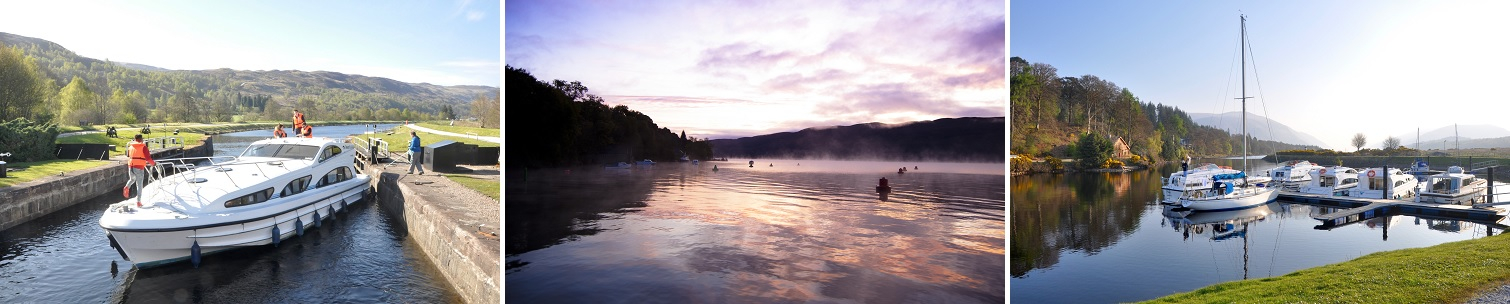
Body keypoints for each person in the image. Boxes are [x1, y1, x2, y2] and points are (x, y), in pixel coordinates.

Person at [126, 134, 157, 206]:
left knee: (132, 179)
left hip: (131, 166)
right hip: (139, 167)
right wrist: (153, 164)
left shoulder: (131, 146)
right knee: (139, 185)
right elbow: (148, 158)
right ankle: (138, 202)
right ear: (141, 139)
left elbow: (128, 155)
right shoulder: (143, 147)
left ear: (135, 139)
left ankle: (127, 186)